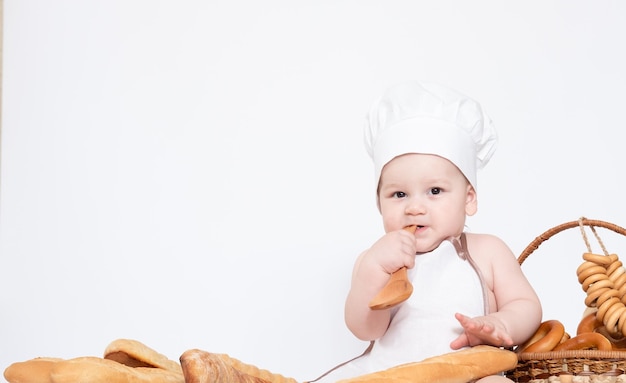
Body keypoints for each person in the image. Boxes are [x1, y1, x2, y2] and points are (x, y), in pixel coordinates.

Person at [312, 81, 542, 383]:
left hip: (467, 374)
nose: (414, 207)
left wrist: (500, 323)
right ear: (379, 203)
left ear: (468, 199)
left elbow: (527, 305)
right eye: (399, 195)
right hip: (390, 376)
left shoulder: (488, 251)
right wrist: (374, 269)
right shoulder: (374, 260)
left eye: (434, 190)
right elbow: (366, 329)